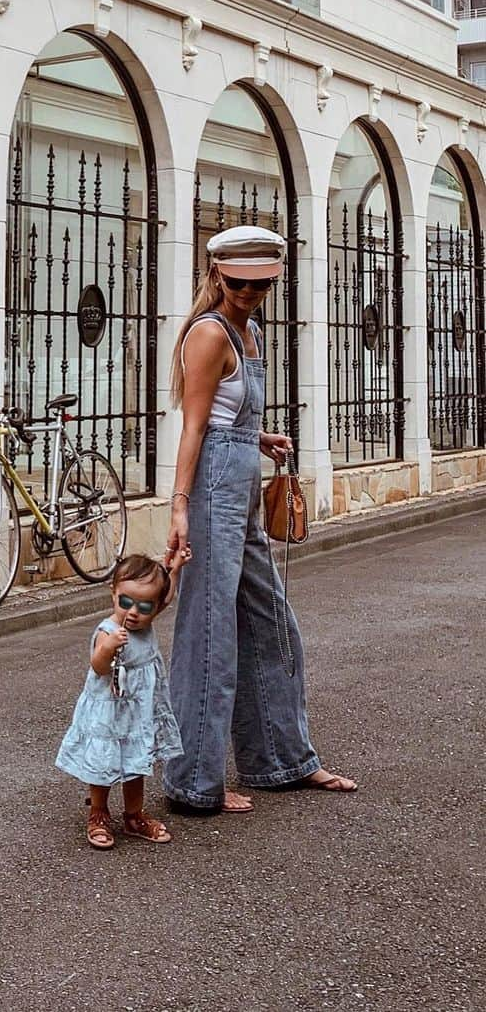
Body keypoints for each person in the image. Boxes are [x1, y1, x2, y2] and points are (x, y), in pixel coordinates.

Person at [162, 224, 356, 814]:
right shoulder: (208, 335)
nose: (249, 293)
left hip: (240, 480)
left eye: (260, 285)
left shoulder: (252, 333)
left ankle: (278, 760)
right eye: (240, 282)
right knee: (211, 632)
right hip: (214, 489)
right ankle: (194, 782)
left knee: (271, 621)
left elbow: (227, 416)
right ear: (217, 273)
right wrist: (177, 506)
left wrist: (259, 438)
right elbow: (195, 427)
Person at [56, 554, 183, 848]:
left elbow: (167, 597)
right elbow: (98, 666)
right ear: (113, 594)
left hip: (138, 712)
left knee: (136, 761)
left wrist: (175, 569)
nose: (134, 612)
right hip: (110, 712)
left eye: (145, 606)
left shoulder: (146, 621)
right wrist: (109, 649)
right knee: (103, 763)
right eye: (125, 602)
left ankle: (134, 814)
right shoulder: (108, 631)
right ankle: (98, 812)